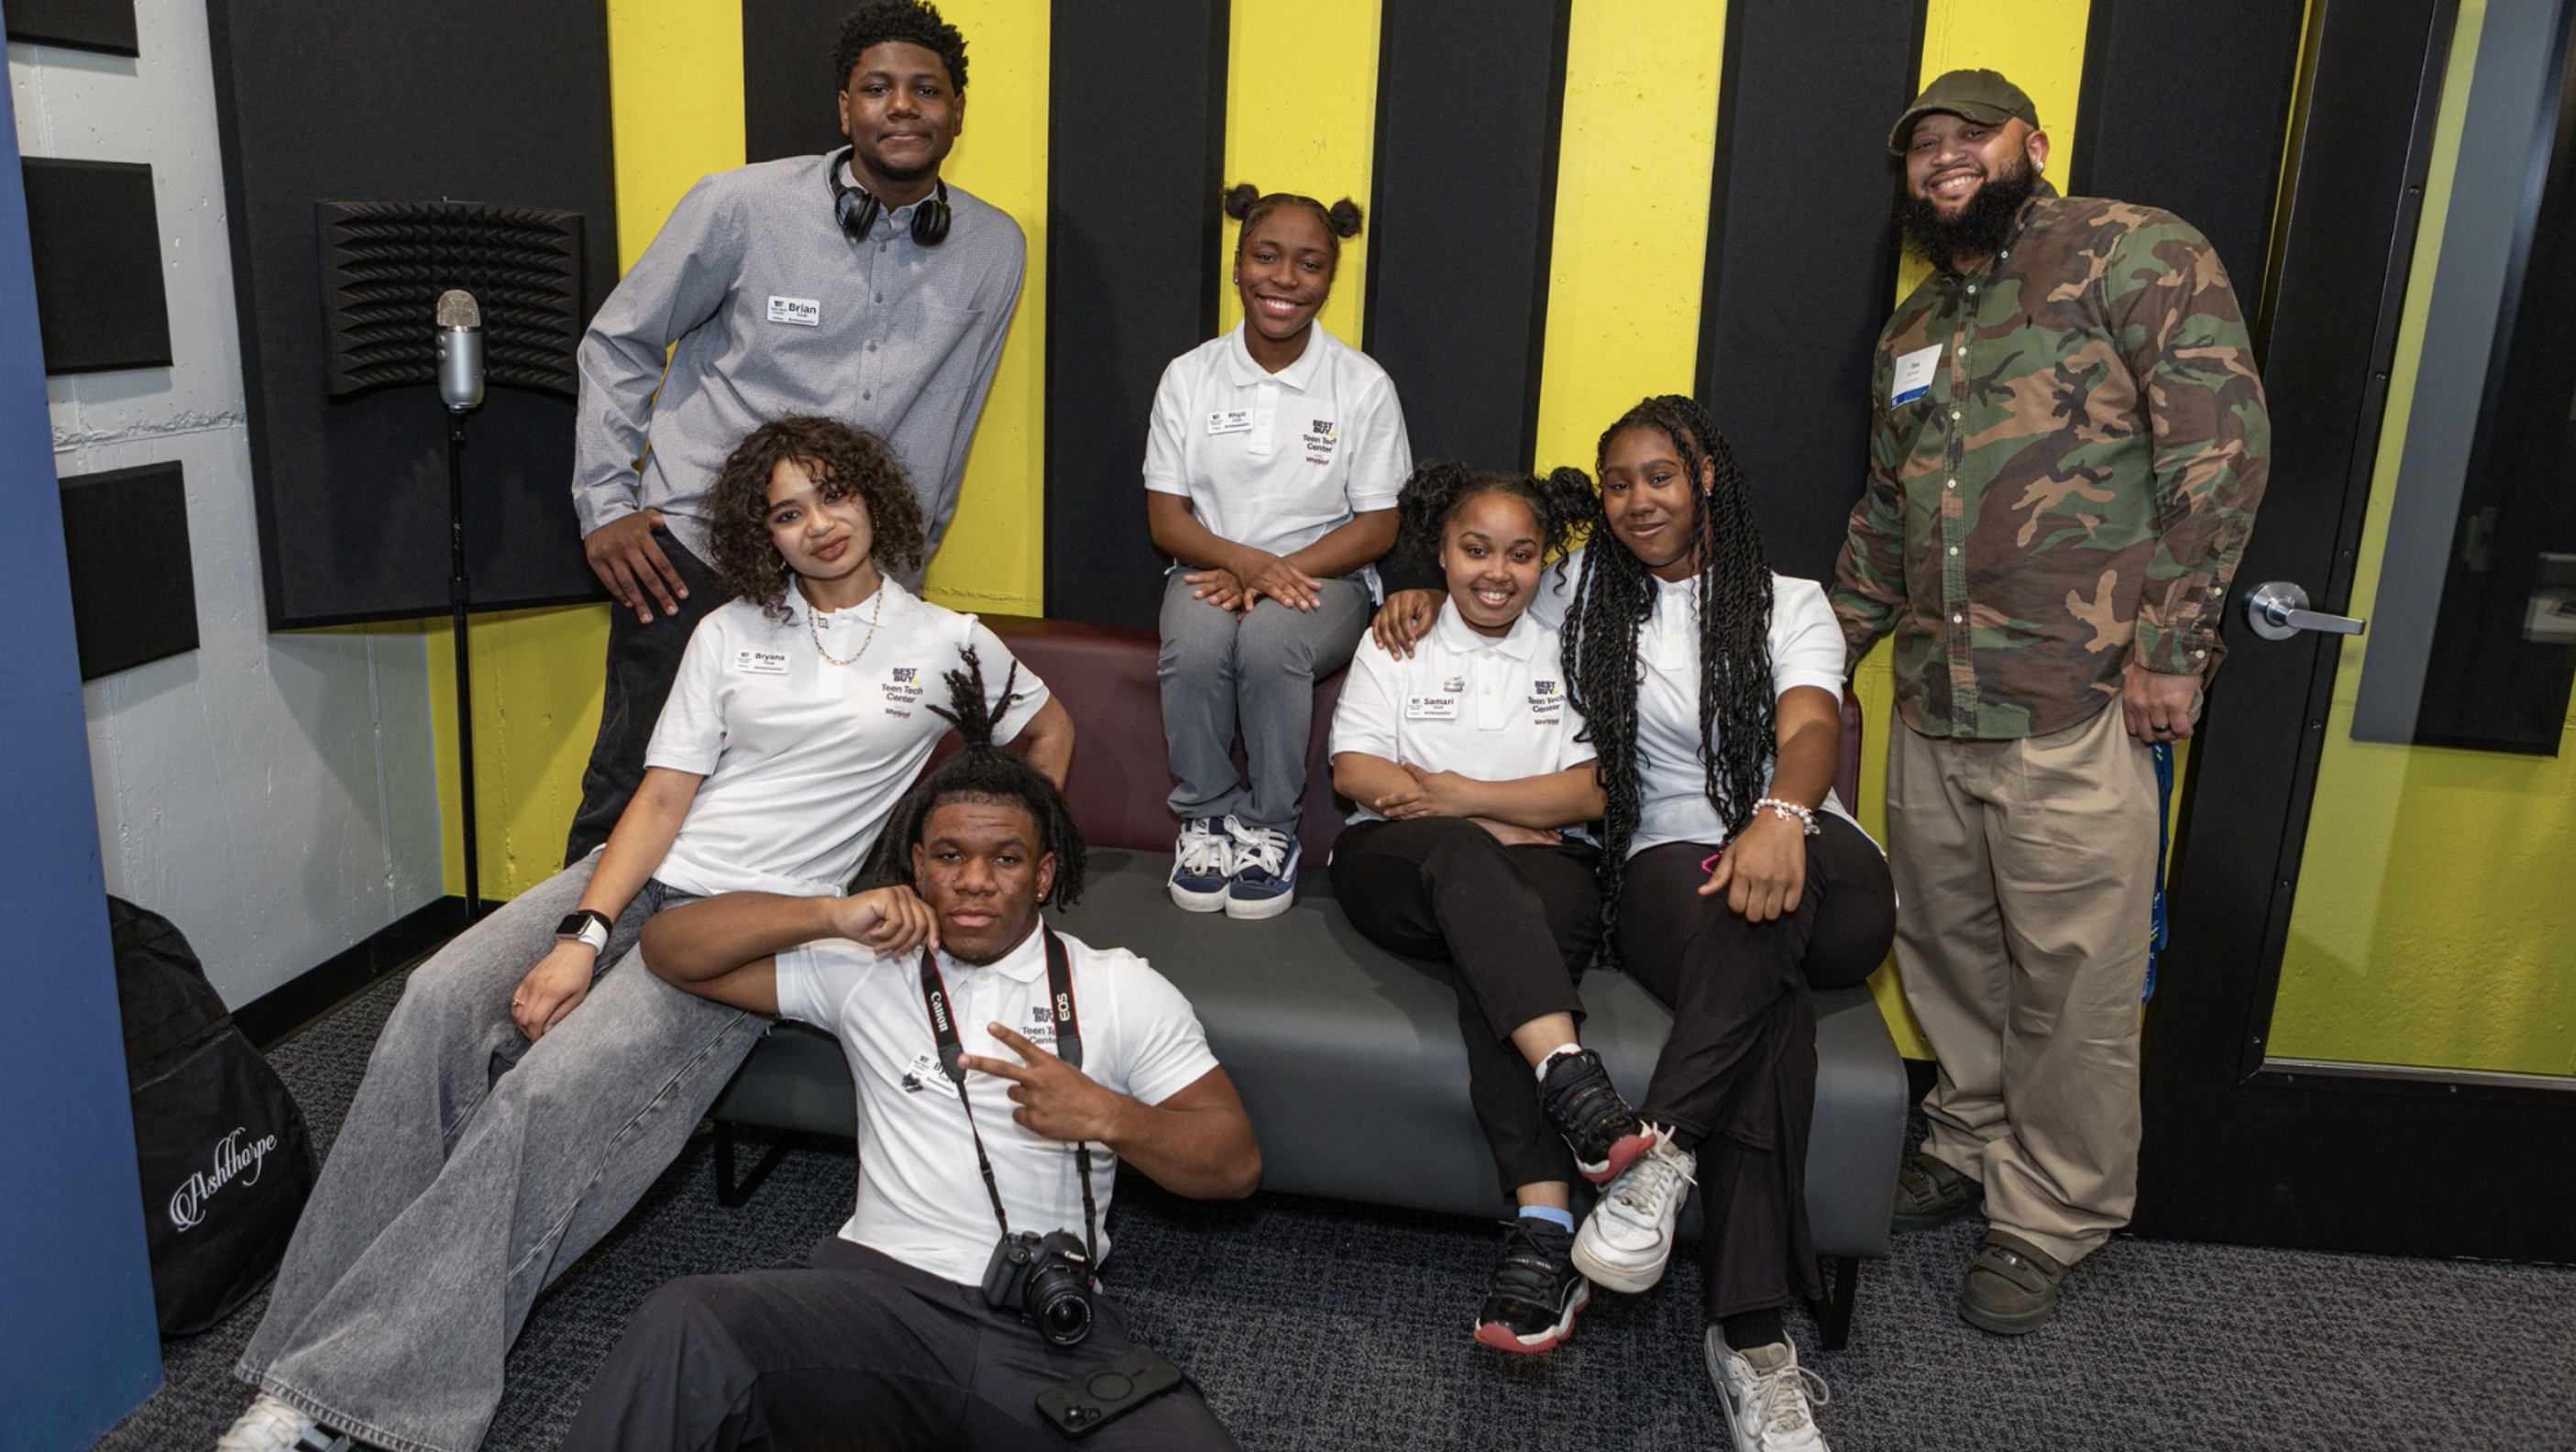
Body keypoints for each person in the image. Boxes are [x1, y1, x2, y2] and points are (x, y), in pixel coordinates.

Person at [218, 418, 1073, 1452]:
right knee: (433, 1002)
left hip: (752, 925)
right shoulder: (730, 631)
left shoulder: (947, 643)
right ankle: (303, 1348)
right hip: (640, 874)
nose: (818, 526)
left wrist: (986, 874)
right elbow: (664, 797)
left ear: (875, 501)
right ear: (764, 536)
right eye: (787, 512)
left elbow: (1045, 732)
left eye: (834, 496)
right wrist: (584, 929)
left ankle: (348, 1404)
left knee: (544, 1097)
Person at [564, 657, 1260, 1451]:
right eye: (949, 856)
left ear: (1044, 874)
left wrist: (1109, 1116)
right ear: (918, 865)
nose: (973, 881)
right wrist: (828, 912)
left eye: (1003, 859)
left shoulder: (1118, 989)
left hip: (1047, 1320)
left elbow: (1234, 1163)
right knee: (687, 1324)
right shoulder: (870, 967)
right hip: (874, 1307)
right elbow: (668, 947)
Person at [1833, 71, 2269, 1336]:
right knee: (1947, 952)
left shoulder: (2129, 251)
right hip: (1933, 702)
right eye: (1921, 147)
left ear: (2031, 143)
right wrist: (1815, 651)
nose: (1942, 159)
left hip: (2077, 702)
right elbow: (1885, 508)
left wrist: (2172, 645)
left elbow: (2219, 448)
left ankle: (2052, 1213)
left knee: (2074, 981)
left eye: (1969, 136)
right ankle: (1966, 1142)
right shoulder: (1911, 326)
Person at [1373, 400, 1893, 1451]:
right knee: (1761, 990)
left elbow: (1806, 725)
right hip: (1667, 859)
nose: (1635, 500)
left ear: (1706, 474)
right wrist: (1421, 589)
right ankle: (1751, 1341)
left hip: (1813, 853)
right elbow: (1492, 573)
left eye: (1658, 475)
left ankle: (1661, 1151)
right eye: (1616, 484)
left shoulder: (1788, 602)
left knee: (1775, 894)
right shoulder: (1581, 595)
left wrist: (1781, 818)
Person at [562, 0, 1026, 864]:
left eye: (926, 89)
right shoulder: (740, 206)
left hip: (856, 579)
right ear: (844, 107)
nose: (902, 106)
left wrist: (902, 577)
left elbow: (952, 417)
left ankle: (772, 989)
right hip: (694, 554)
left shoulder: (995, 247)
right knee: (635, 792)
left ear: (956, 110)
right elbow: (620, 340)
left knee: (818, 809)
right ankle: (567, 969)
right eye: (877, 87)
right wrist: (605, 504)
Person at [1325, 460, 1647, 1355]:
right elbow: (1355, 771)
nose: (1495, 571)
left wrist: (1464, 795)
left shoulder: (1571, 641)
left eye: (1519, 553)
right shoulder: (1400, 636)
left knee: (1501, 948)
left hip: (1535, 875)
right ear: (1442, 550)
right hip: (1392, 863)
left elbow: (1593, 793)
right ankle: (1578, 1091)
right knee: (1470, 867)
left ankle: (1542, 1231)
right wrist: (1491, 815)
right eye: (1474, 550)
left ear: (1546, 559)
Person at [1144, 182, 1413, 918]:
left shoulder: (1361, 385)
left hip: (1327, 580)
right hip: (1206, 568)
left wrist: (1270, 576)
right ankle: (1205, 817)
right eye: (1267, 256)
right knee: (1197, 647)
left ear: (1330, 278)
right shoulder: (1189, 376)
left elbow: (1377, 526)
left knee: (1268, 645)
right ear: (1237, 265)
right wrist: (1243, 564)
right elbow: (1167, 519)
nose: (1286, 280)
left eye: (1310, 264)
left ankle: (1269, 830)